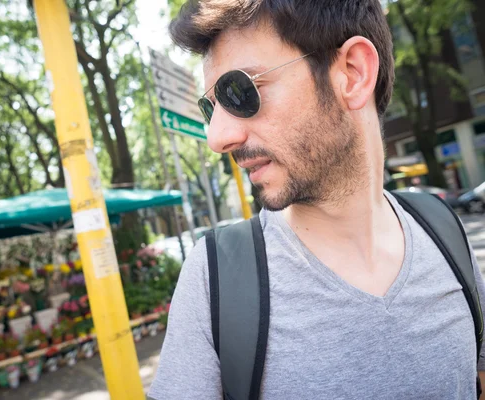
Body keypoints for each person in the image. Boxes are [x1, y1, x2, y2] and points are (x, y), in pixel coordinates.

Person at [149, 1, 485, 399]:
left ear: (353, 74)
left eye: (240, 91)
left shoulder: (442, 231)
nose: (217, 137)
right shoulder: (215, 281)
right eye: (211, 107)